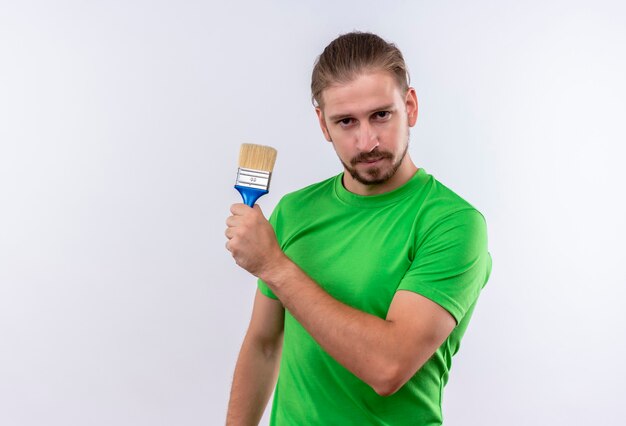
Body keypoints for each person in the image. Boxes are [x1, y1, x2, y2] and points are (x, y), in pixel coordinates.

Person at [224, 31, 492, 425]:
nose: (367, 141)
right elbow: (264, 345)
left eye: (381, 115)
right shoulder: (294, 211)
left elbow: (388, 367)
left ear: (410, 106)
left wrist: (274, 266)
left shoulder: (452, 223)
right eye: (346, 121)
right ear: (323, 124)